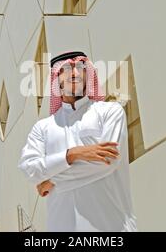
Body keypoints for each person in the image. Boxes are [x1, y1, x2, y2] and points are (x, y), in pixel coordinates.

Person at [17, 51, 137, 231]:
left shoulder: (109, 112)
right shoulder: (43, 128)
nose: (75, 73)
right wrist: (71, 154)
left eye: (80, 67)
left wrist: (53, 181)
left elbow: (107, 161)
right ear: (57, 80)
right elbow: (30, 169)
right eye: (66, 69)